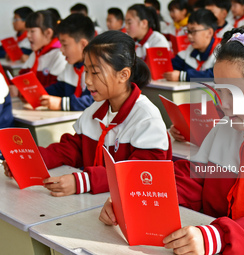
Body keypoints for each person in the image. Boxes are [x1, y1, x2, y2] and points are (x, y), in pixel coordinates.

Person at [99, 13, 244, 254]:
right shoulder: (225, 130)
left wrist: (219, 237)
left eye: (232, 93)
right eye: (219, 91)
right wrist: (135, 200)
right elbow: (190, 183)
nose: (222, 104)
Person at [4, 31, 171, 197]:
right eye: (86, 72)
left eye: (96, 73)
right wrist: (29, 160)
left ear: (123, 75)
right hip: (100, 200)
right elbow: (73, 149)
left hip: (134, 205)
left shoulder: (146, 117)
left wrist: (82, 181)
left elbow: (141, 174)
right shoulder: (95, 110)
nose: (88, 81)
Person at [39, 13, 95, 111]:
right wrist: (39, 94)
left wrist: (62, 104)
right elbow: (59, 88)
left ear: (83, 45)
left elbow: (97, 103)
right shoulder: (71, 65)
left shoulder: (100, 68)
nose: (61, 50)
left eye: (65, 45)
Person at [164, 9, 219, 81]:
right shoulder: (189, 50)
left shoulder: (222, 52)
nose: (189, 36)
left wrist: (183, 76)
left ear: (209, 33)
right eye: (188, 31)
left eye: (193, 31)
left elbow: (216, 76)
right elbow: (172, 68)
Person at [19, 10, 67, 88]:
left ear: (48, 33)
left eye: (32, 31)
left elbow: (55, 88)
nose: (28, 35)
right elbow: (22, 76)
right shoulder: (36, 53)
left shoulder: (59, 54)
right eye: (27, 31)